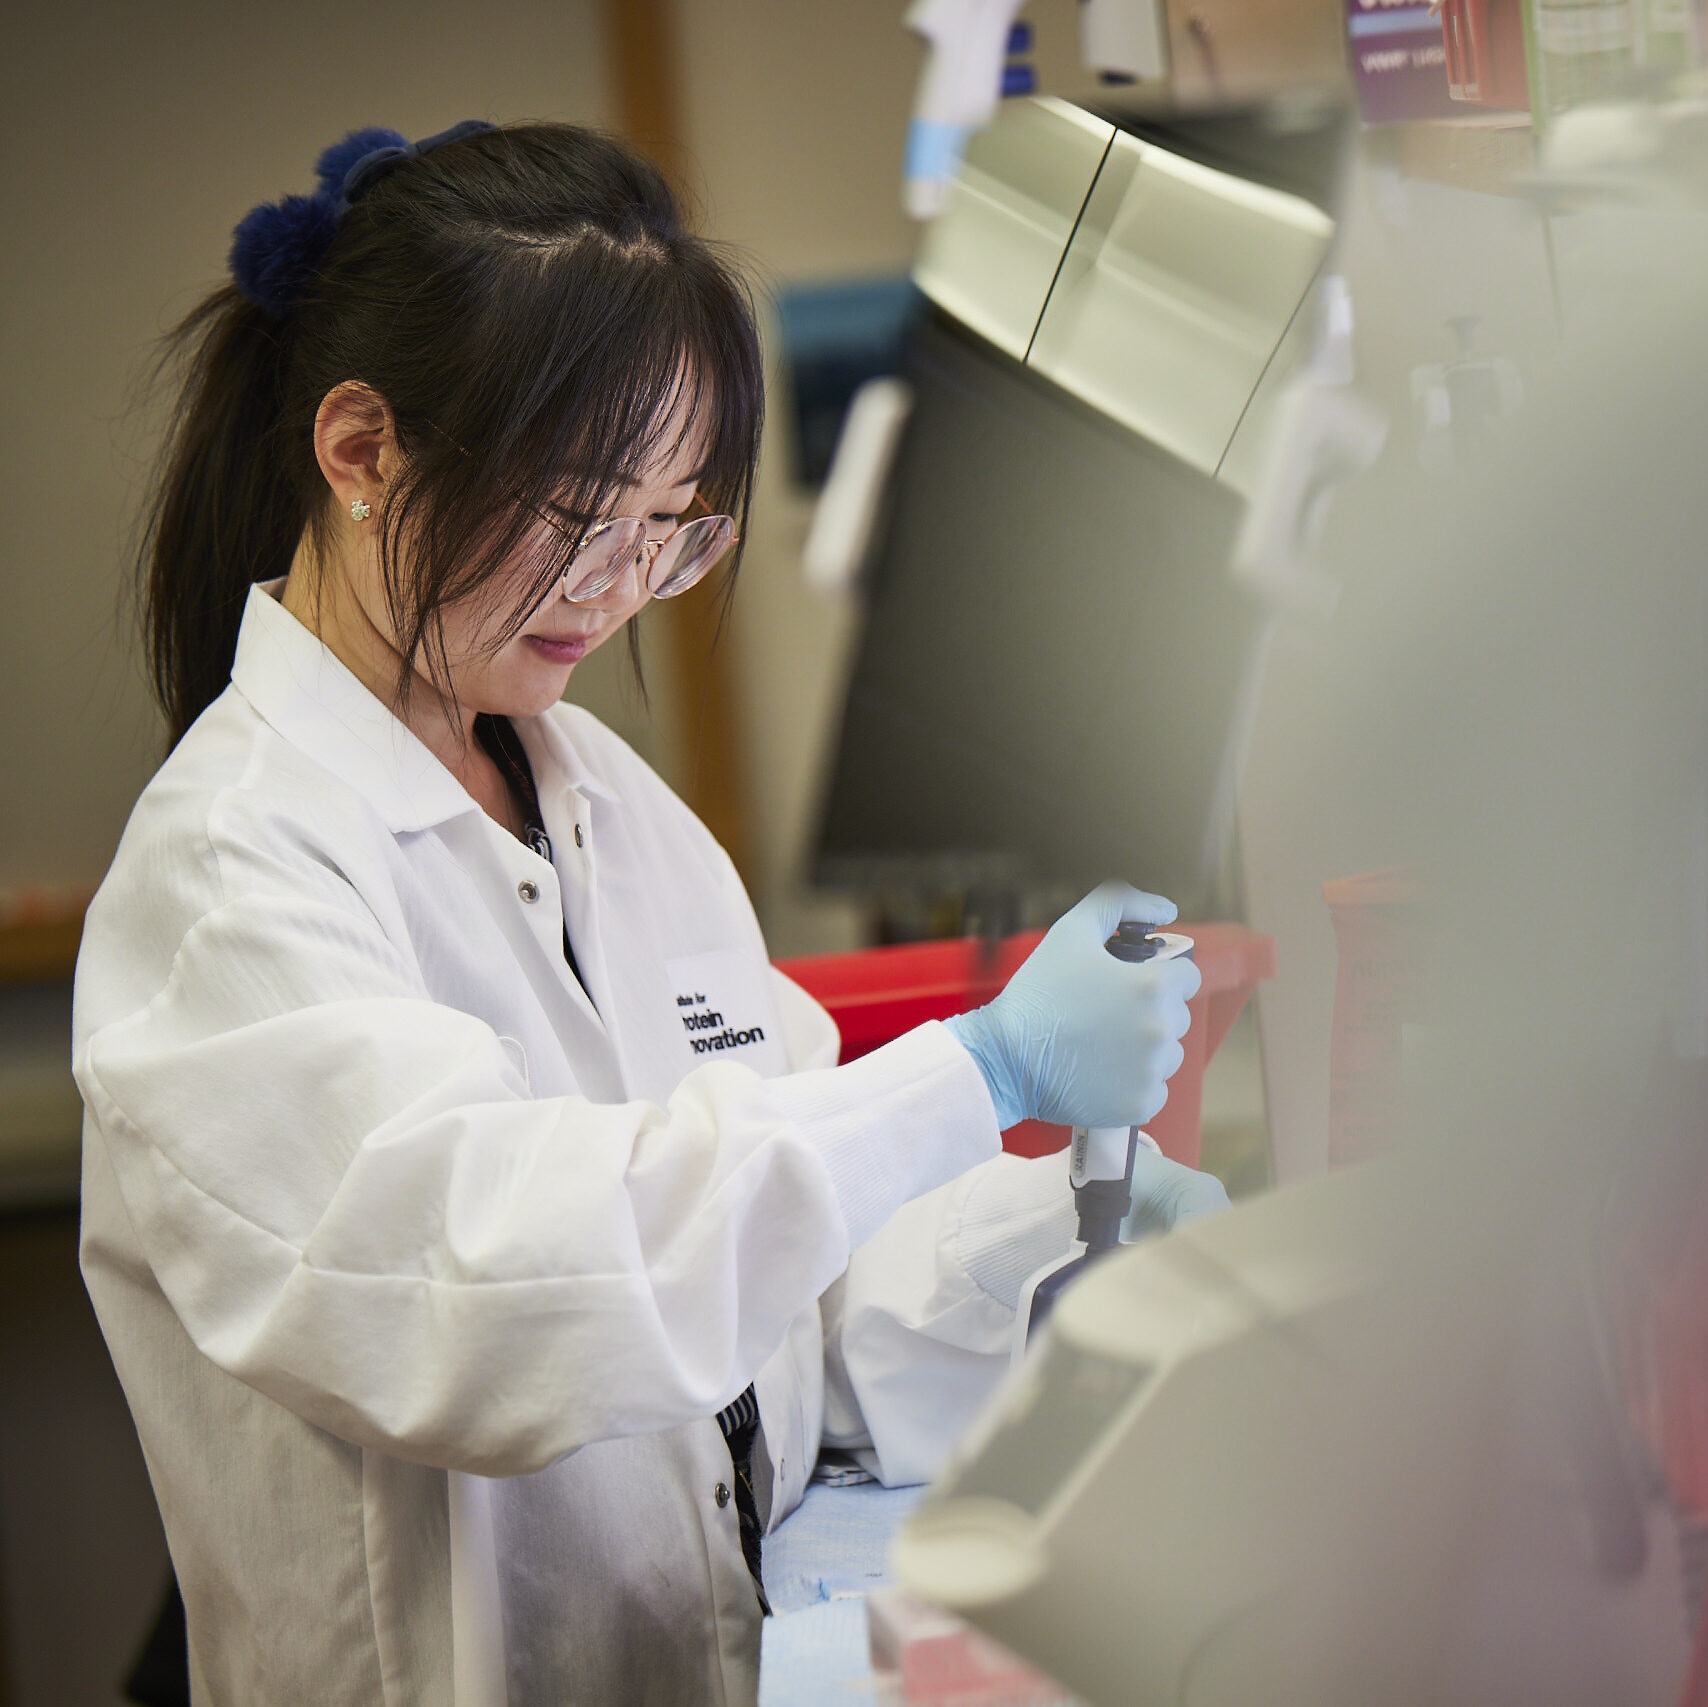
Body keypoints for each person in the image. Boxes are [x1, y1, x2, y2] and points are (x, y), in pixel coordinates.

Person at [74, 120, 1220, 1707]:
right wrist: (984, 1073)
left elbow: (781, 1280)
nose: (620, 586)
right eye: (577, 513)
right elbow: (504, 1290)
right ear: (360, 451)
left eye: (672, 524)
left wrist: (1054, 1258)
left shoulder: (597, 792)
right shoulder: (229, 880)